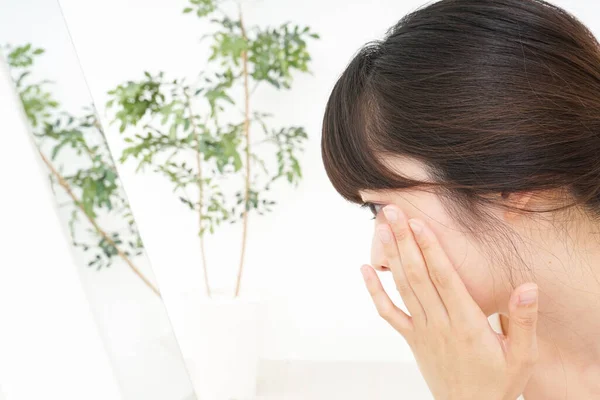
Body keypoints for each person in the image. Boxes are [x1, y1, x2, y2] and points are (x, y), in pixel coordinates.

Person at [321, 0, 600, 398]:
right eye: (373, 210)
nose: (380, 260)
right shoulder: (479, 351)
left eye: (383, 207)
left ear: (515, 181)